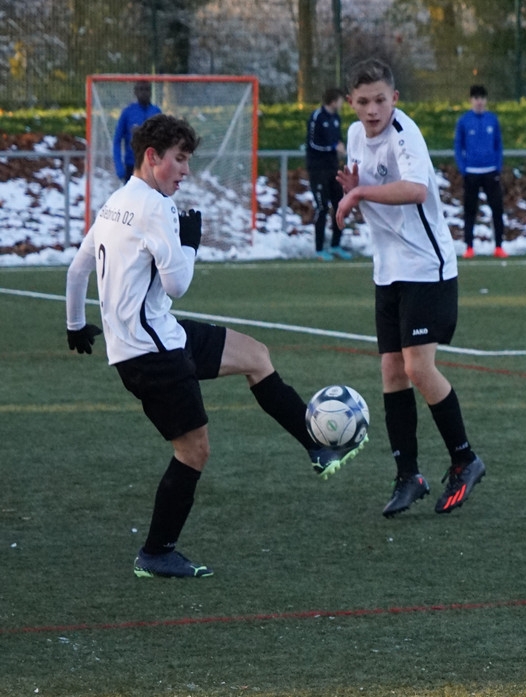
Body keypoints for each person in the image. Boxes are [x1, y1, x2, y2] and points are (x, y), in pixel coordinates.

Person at [65, 114, 364, 579]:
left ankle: (315, 445)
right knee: (194, 451)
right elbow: (178, 284)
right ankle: (156, 552)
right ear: (152, 157)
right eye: (179, 159)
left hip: (159, 336)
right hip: (154, 355)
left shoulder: (115, 202)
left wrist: (74, 324)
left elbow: (77, 269)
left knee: (255, 356)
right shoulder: (155, 207)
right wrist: (191, 244)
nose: (186, 171)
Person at [335, 58, 486, 518]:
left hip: (426, 267)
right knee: (391, 371)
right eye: (363, 102)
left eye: (381, 100)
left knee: (418, 367)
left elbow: (417, 190)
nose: (373, 110)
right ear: (351, 102)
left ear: (394, 99)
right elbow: (373, 191)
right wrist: (355, 187)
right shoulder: (355, 136)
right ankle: (409, 476)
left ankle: (464, 460)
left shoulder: (405, 134)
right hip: (388, 269)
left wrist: (359, 193)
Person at [454, 84, 507, 259]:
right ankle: (469, 247)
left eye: (482, 98)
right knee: (470, 210)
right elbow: (458, 146)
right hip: (472, 173)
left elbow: (498, 145)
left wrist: (497, 166)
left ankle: (498, 246)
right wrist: (463, 168)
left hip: (490, 172)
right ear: (471, 100)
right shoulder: (464, 121)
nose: (479, 102)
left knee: (497, 209)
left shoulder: (492, 120)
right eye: (476, 98)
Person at [307, 87, 350, 260]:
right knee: (322, 207)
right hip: (318, 170)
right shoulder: (316, 117)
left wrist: (341, 149)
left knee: (340, 205)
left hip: (333, 169)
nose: (342, 103)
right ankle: (319, 248)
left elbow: (338, 141)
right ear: (333, 101)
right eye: (340, 100)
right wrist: (332, 148)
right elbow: (312, 144)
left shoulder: (336, 118)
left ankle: (335, 245)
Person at [113, 80, 161, 184]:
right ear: (135, 92)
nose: (144, 93)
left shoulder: (157, 112)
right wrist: (119, 166)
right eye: (141, 89)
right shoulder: (128, 112)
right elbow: (117, 140)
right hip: (132, 166)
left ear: (151, 92)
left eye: (147, 89)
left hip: (152, 166)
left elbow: (163, 140)